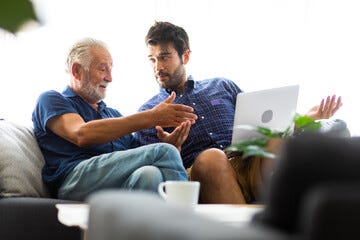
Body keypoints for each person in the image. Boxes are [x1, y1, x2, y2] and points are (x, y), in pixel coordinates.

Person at [136, 21, 343, 204]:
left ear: (185, 56)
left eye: (164, 57)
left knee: (277, 141)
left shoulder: (221, 85)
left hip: (245, 161)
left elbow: (263, 124)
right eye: (152, 60)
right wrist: (172, 149)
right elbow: (155, 169)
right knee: (211, 158)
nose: (158, 67)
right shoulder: (148, 112)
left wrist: (308, 119)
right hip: (202, 170)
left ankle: (291, 218)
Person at [32, 38, 198, 201]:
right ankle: (185, 223)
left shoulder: (113, 115)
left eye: (111, 70)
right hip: (73, 179)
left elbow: (140, 156)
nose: (110, 78)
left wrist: (172, 145)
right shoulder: (51, 99)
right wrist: (151, 117)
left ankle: (145, 228)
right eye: (102, 69)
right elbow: (81, 134)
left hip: (112, 184)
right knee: (163, 152)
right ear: (77, 71)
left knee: (149, 173)